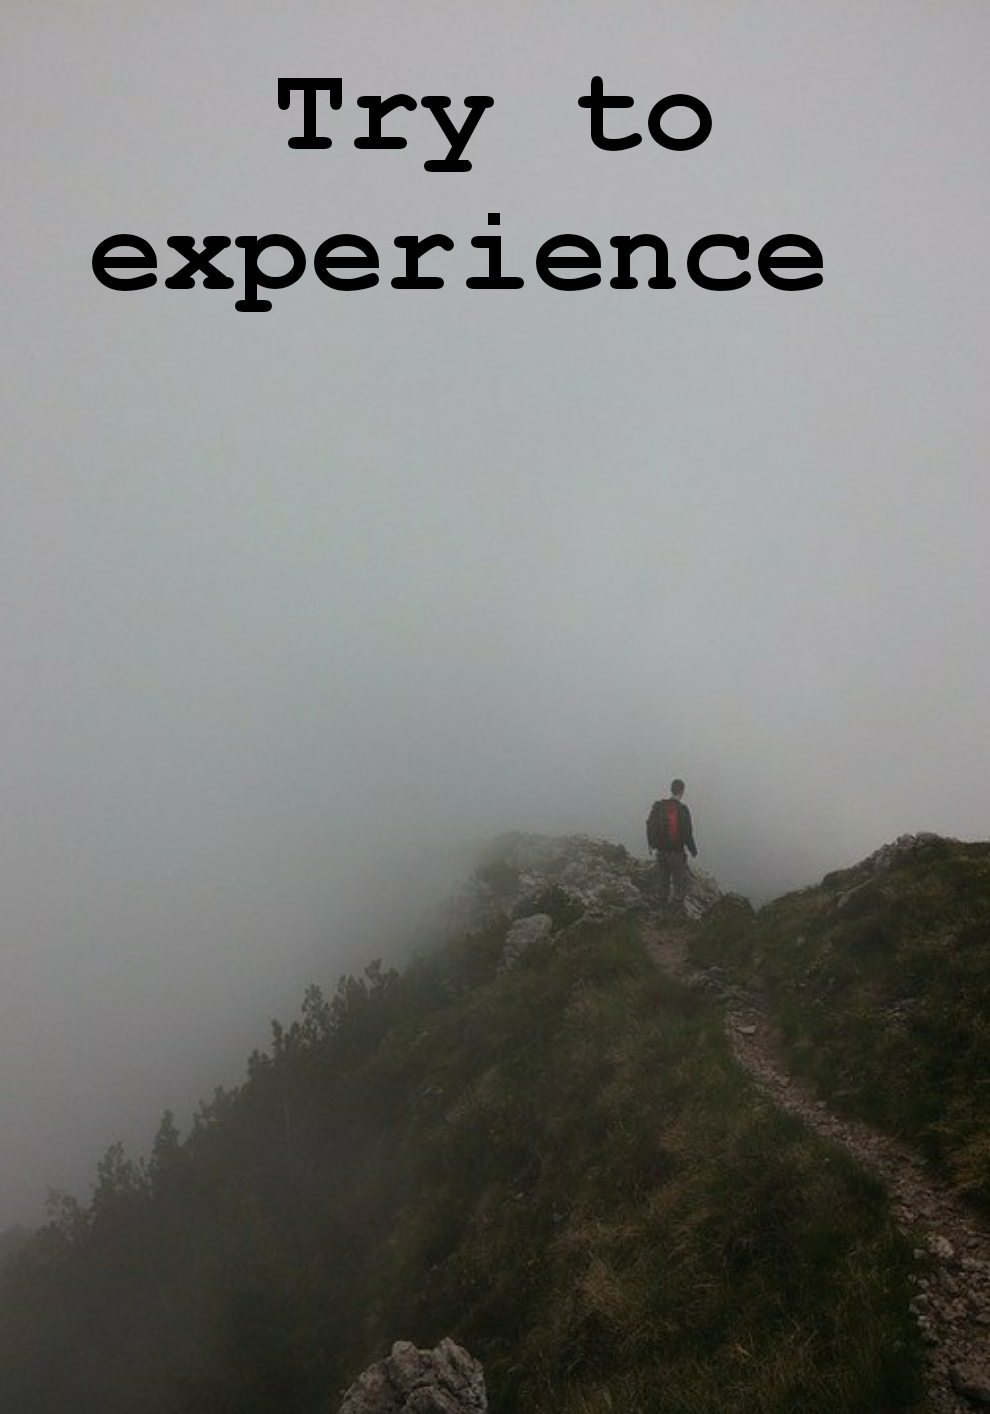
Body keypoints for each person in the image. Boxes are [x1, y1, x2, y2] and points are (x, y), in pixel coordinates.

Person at [646, 779, 698, 910]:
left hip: (661, 851)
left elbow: (650, 824)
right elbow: (687, 832)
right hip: (676, 852)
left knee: (663, 878)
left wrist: (651, 844)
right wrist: (693, 849)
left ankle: (661, 905)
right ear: (682, 791)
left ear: (671, 789)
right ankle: (676, 910)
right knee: (678, 881)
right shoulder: (683, 809)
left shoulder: (659, 806)